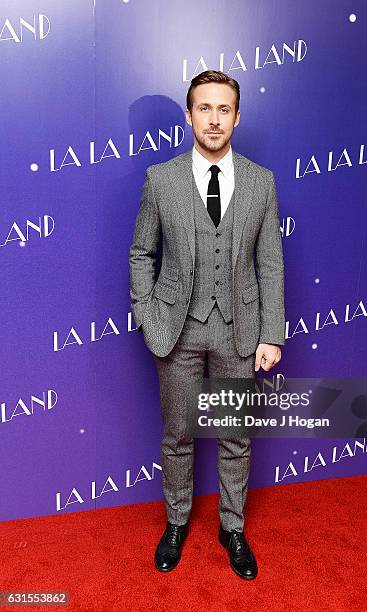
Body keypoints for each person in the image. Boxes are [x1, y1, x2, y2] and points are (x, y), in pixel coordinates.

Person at [129, 70, 285, 580]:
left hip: (239, 331)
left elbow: (270, 264)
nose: (214, 119)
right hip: (177, 331)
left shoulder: (262, 182)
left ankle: (232, 527)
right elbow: (141, 253)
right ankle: (176, 522)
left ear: (237, 117)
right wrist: (148, 314)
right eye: (204, 108)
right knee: (178, 433)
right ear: (189, 115)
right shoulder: (161, 180)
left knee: (235, 435)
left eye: (224, 110)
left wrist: (270, 333)